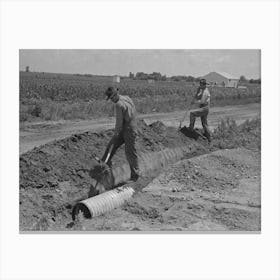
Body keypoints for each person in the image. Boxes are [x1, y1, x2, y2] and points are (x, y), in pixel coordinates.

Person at [102, 86, 140, 182]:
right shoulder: (127, 97)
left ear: (115, 95)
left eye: (111, 99)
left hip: (129, 129)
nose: (111, 101)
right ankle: (104, 165)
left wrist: (116, 133)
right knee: (112, 144)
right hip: (128, 125)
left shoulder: (118, 104)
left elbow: (119, 122)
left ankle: (135, 175)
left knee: (130, 152)